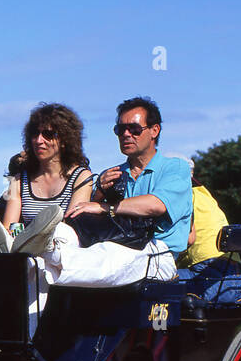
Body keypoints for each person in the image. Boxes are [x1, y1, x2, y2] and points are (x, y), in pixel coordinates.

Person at [24, 96, 189, 288]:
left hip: (158, 254)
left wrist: (104, 206)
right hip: (115, 242)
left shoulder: (176, 168)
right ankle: (31, 252)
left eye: (134, 129)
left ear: (154, 130)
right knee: (41, 264)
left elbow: (156, 205)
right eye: (120, 130)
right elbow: (85, 211)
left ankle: (46, 249)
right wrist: (99, 191)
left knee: (110, 255)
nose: (126, 134)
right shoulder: (114, 174)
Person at [0, 103, 93, 255]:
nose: (39, 140)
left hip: (62, 251)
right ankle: (30, 241)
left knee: (62, 234)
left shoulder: (81, 177)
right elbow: (10, 226)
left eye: (48, 134)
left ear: (64, 139)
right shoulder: (18, 181)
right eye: (35, 134)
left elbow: (71, 225)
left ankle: (38, 239)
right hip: (28, 256)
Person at [175, 162, 241, 303]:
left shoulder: (180, 196)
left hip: (205, 271)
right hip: (231, 271)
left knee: (153, 281)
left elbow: (187, 239)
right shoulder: (204, 195)